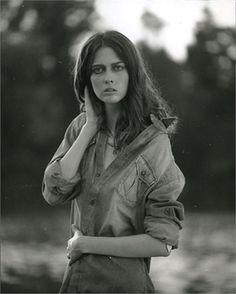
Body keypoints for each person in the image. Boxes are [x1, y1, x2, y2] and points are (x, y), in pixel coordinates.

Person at [42, 30, 185, 293]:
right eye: (98, 70)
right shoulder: (80, 128)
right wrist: (90, 127)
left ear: (132, 74)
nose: (108, 77)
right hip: (77, 283)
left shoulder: (154, 143)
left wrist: (85, 245)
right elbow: (54, 191)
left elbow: (162, 242)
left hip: (125, 284)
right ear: (87, 80)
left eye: (117, 68)